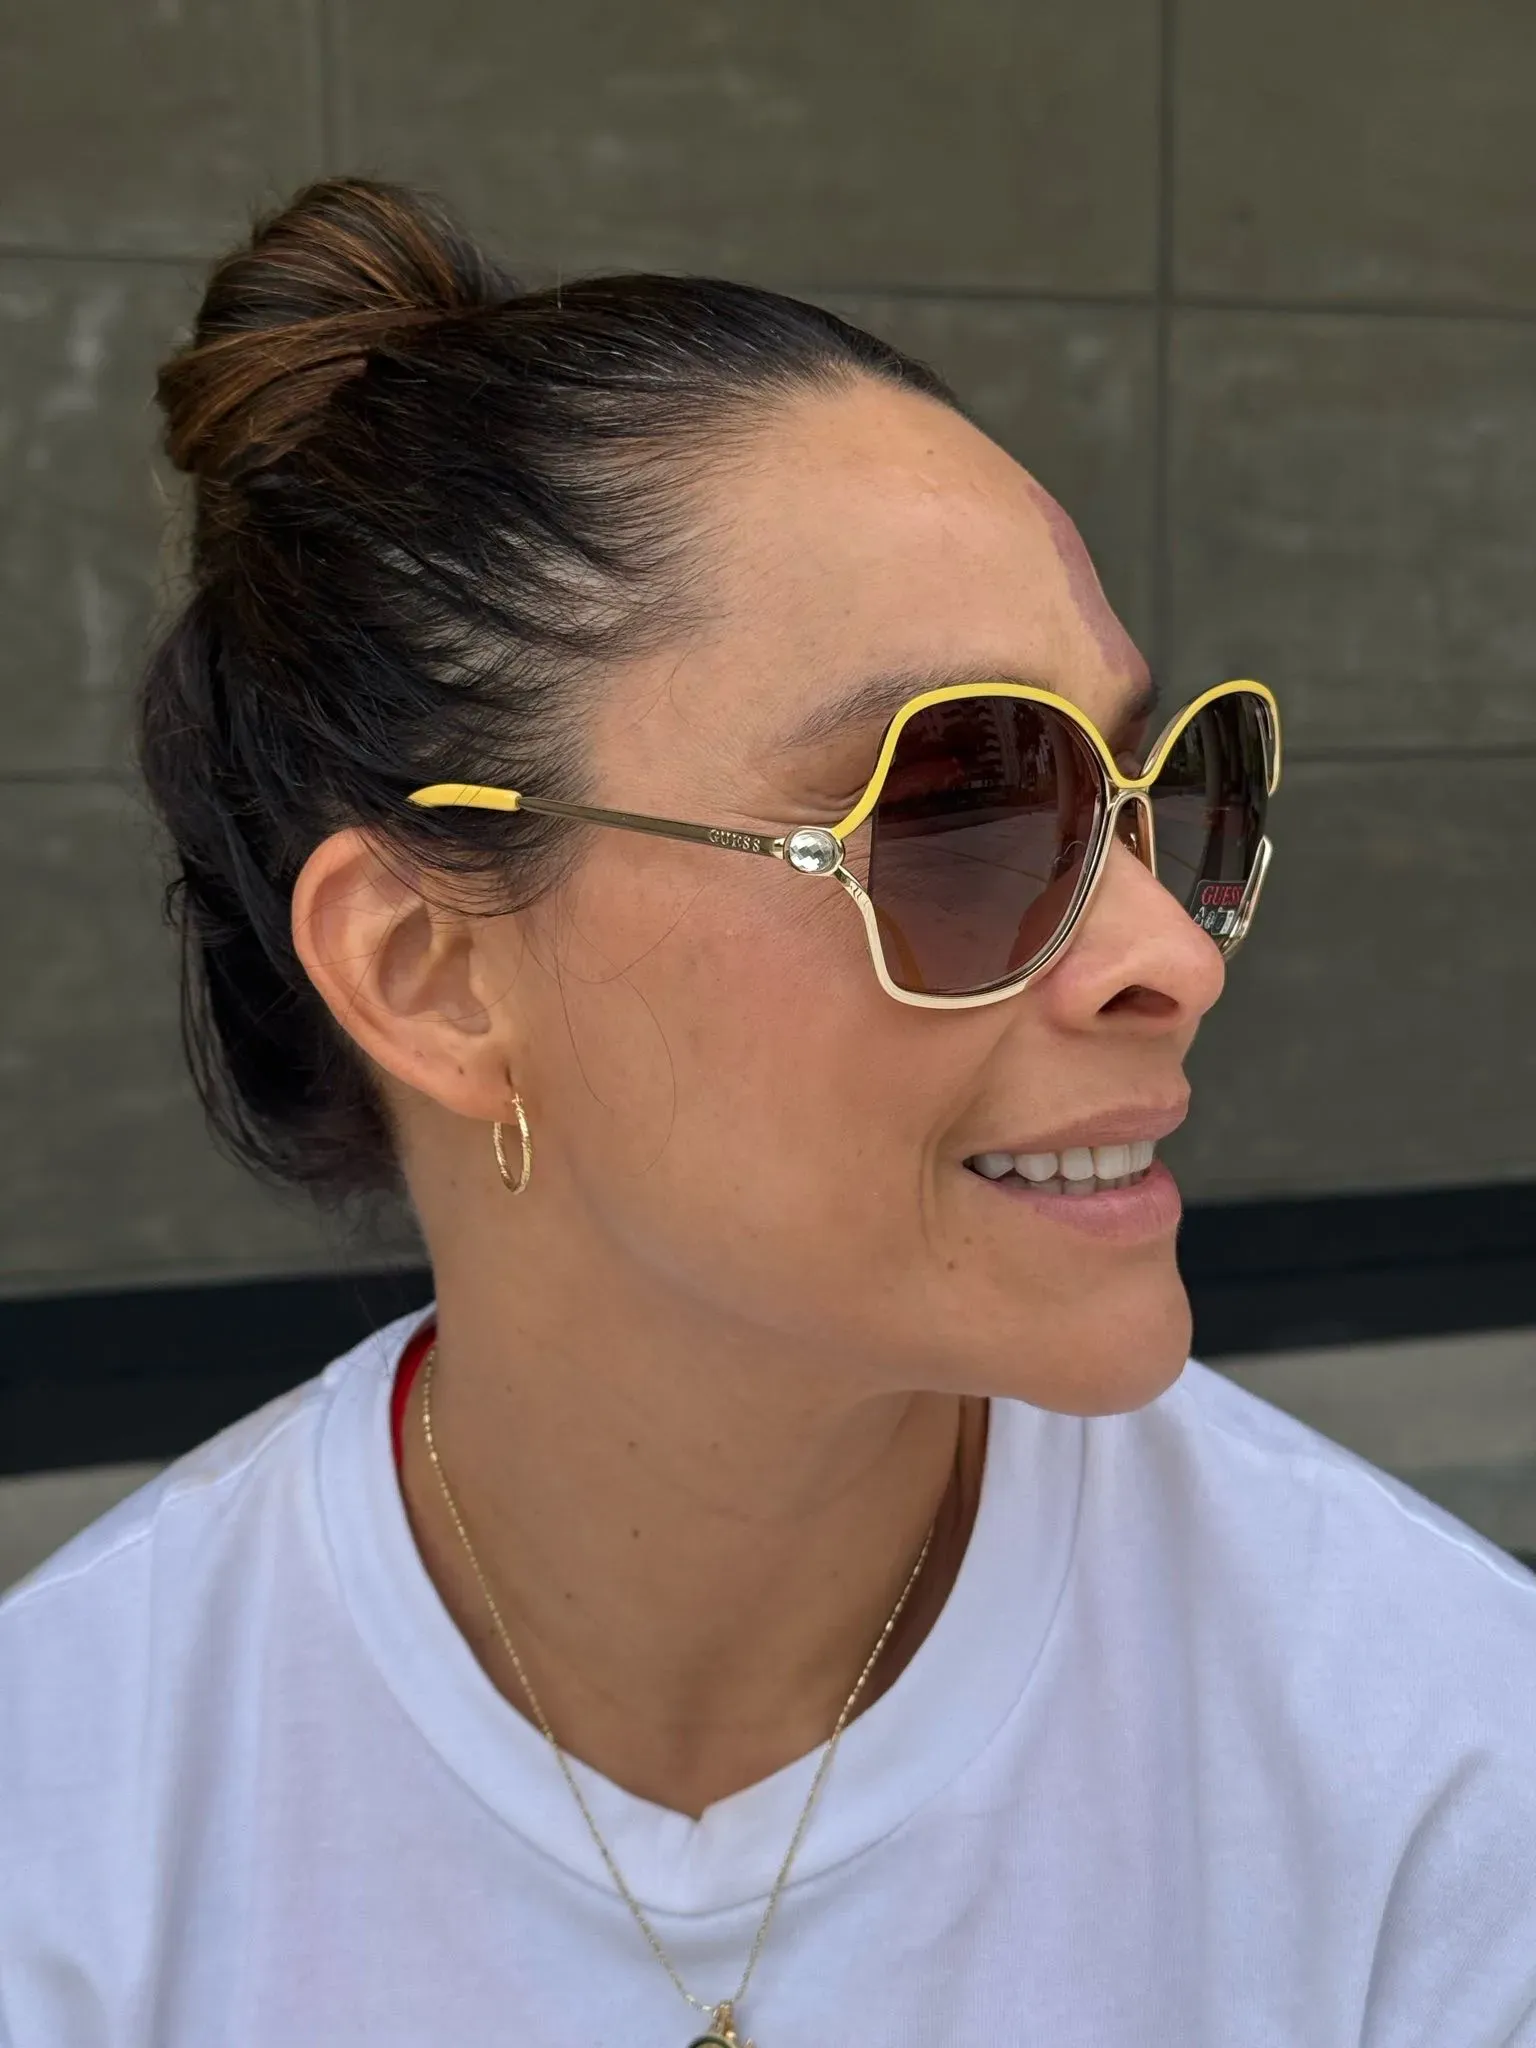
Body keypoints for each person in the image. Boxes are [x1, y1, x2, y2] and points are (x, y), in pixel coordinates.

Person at [1, 177, 1532, 2048]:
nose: (1168, 953)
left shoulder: (1439, 1771)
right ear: (433, 974)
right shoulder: (69, 1832)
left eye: (1155, 791)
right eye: (962, 805)